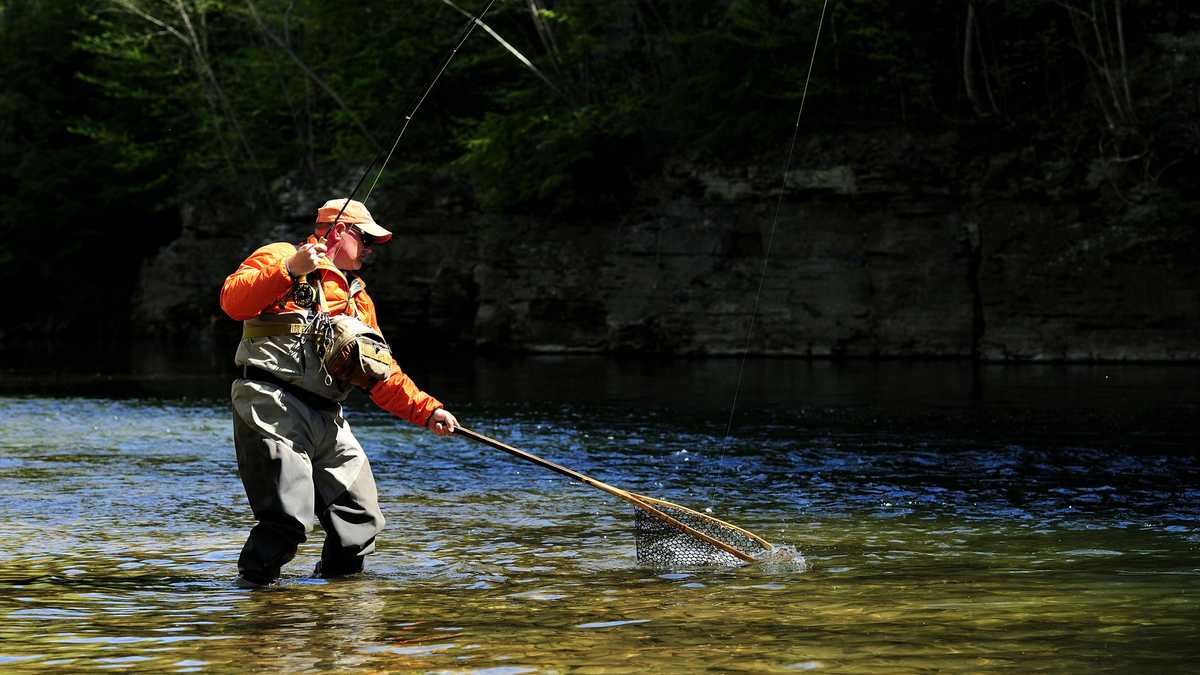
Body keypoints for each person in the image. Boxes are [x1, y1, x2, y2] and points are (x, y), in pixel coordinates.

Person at [220, 197, 458, 588]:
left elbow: (383, 375)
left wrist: (428, 411)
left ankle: (337, 603)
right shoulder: (280, 255)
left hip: (329, 416)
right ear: (340, 231)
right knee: (288, 519)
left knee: (361, 521)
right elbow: (232, 301)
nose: (369, 248)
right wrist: (290, 269)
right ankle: (257, 600)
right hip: (271, 402)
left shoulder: (360, 301)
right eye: (365, 238)